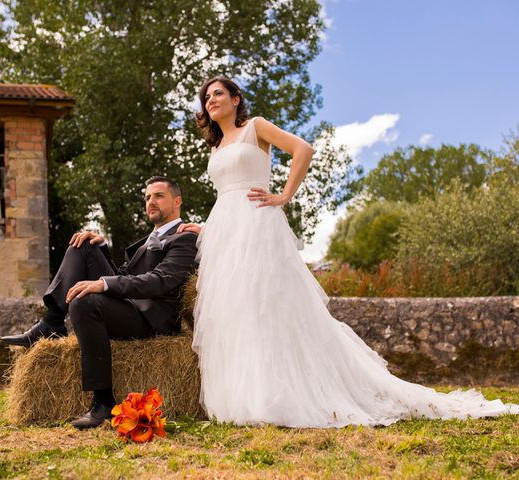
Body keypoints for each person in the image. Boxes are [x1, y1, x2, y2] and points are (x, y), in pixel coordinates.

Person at [178, 76, 518, 427]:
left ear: (235, 99)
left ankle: (281, 396)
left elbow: (303, 150)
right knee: (236, 311)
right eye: (205, 96)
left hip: (257, 224)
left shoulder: (256, 127)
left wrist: (284, 195)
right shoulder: (216, 148)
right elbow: (227, 195)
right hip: (226, 230)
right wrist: (208, 228)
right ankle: (245, 398)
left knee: (265, 305)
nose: (210, 100)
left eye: (218, 93)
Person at [1, 176, 198, 429]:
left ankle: (103, 403)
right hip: (129, 306)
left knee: (85, 302)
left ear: (177, 201)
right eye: (147, 197)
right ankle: (52, 321)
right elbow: (125, 275)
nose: (151, 202)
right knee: (82, 243)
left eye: (159, 196)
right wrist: (102, 248)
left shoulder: (185, 238)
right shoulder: (147, 240)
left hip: (151, 319)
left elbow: (159, 281)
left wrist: (102, 283)